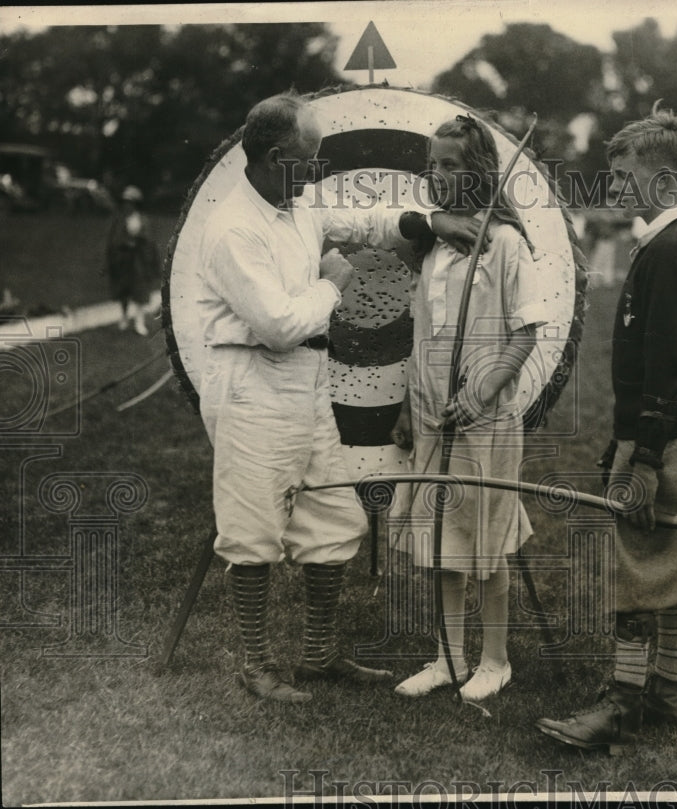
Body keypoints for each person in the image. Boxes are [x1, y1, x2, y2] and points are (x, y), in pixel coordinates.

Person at [197, 92, 481, 703]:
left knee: (334, 519)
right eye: (309, 158)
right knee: (253, 531)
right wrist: (333, 284)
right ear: (276, 157)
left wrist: (432, 223)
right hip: (251, 383)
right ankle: (256, 665)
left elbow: (368, 222)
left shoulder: (296, 204)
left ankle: (319, 657)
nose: (318, 169)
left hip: (305, 381)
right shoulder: (231, 229)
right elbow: (276, 323)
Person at [536, 101, 677, 752]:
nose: (613, 188)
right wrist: (625, 437)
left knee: (641, 553)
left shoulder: (673, 250)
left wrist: (643, 459)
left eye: (622, 176)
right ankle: (668, 693)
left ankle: (623, 702)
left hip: (674, 425)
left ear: (663, 180)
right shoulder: (676, 241)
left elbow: (667, 368)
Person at [389, 114, 550, 702]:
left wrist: (481, 390)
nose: (436, 174)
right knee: (439, 540)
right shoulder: (433, 246)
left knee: (486, 541)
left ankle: (495, 660)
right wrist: (411, 405)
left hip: (483, 419)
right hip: (433, 415)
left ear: (479, 172)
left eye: (450, 165)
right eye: (432, 164)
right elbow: (422, 333)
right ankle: (448, 657)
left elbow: (527, 332)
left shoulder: (506, 243)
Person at [106, 185, 159, 335]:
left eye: (130, 202)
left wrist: (140, 242)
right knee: (124, 290)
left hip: (139, 260)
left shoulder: (142, 219)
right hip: (123, 259)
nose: (127, 205)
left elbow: (149, 240)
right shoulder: (119, 220)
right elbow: (114, 240)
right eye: (125, 202)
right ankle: (124, 316)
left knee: (140, 290)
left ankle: (139, 322)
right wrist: (124, 244)